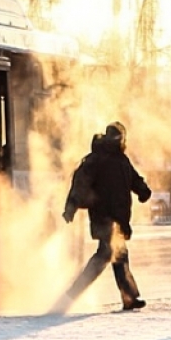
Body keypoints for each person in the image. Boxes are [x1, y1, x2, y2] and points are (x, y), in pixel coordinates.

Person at [55, 122, 152, 312]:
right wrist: (71, 207)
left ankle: (128, 297)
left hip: (117, 219)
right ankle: (74, 295)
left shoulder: (120, 160)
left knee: (115, 256)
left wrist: (143, 191)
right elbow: (80, 184)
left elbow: (134, 179)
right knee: (109, 254)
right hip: (104, 217)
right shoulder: (98, 160)